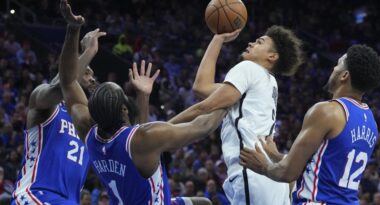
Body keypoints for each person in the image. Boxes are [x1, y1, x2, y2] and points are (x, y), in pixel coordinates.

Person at [57, 1, 225, 205]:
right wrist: (230, 96)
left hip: (130, 199)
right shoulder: (144, 138)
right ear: (124, 108)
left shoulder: (89, 132)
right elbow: (203, 126)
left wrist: (73, 29)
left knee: (204, 203)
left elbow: (66, 80)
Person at [169, 26, 304, 204]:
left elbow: (204, 107)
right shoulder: (268, 82)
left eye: (259, 42)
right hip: (271, 179)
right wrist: (218, 40)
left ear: (272, 56)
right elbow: (202, 87)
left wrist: (159, 130)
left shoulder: (248, 68)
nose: (251, 43)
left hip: (252, 172)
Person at [239, 45, 380, 205]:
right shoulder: (372, 123)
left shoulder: (327, 111)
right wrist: (277, 156)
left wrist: (263, 166)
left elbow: (287, 173)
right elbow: (326, 169)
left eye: (338, 64)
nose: (333, 69)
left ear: (344, 76)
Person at [10, 12, 105, 205]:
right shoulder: (45, 102)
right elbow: (60, 85)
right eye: (86, 71)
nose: (92, 78)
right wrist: (84, 46)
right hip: (36, 194)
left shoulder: (89, 122)